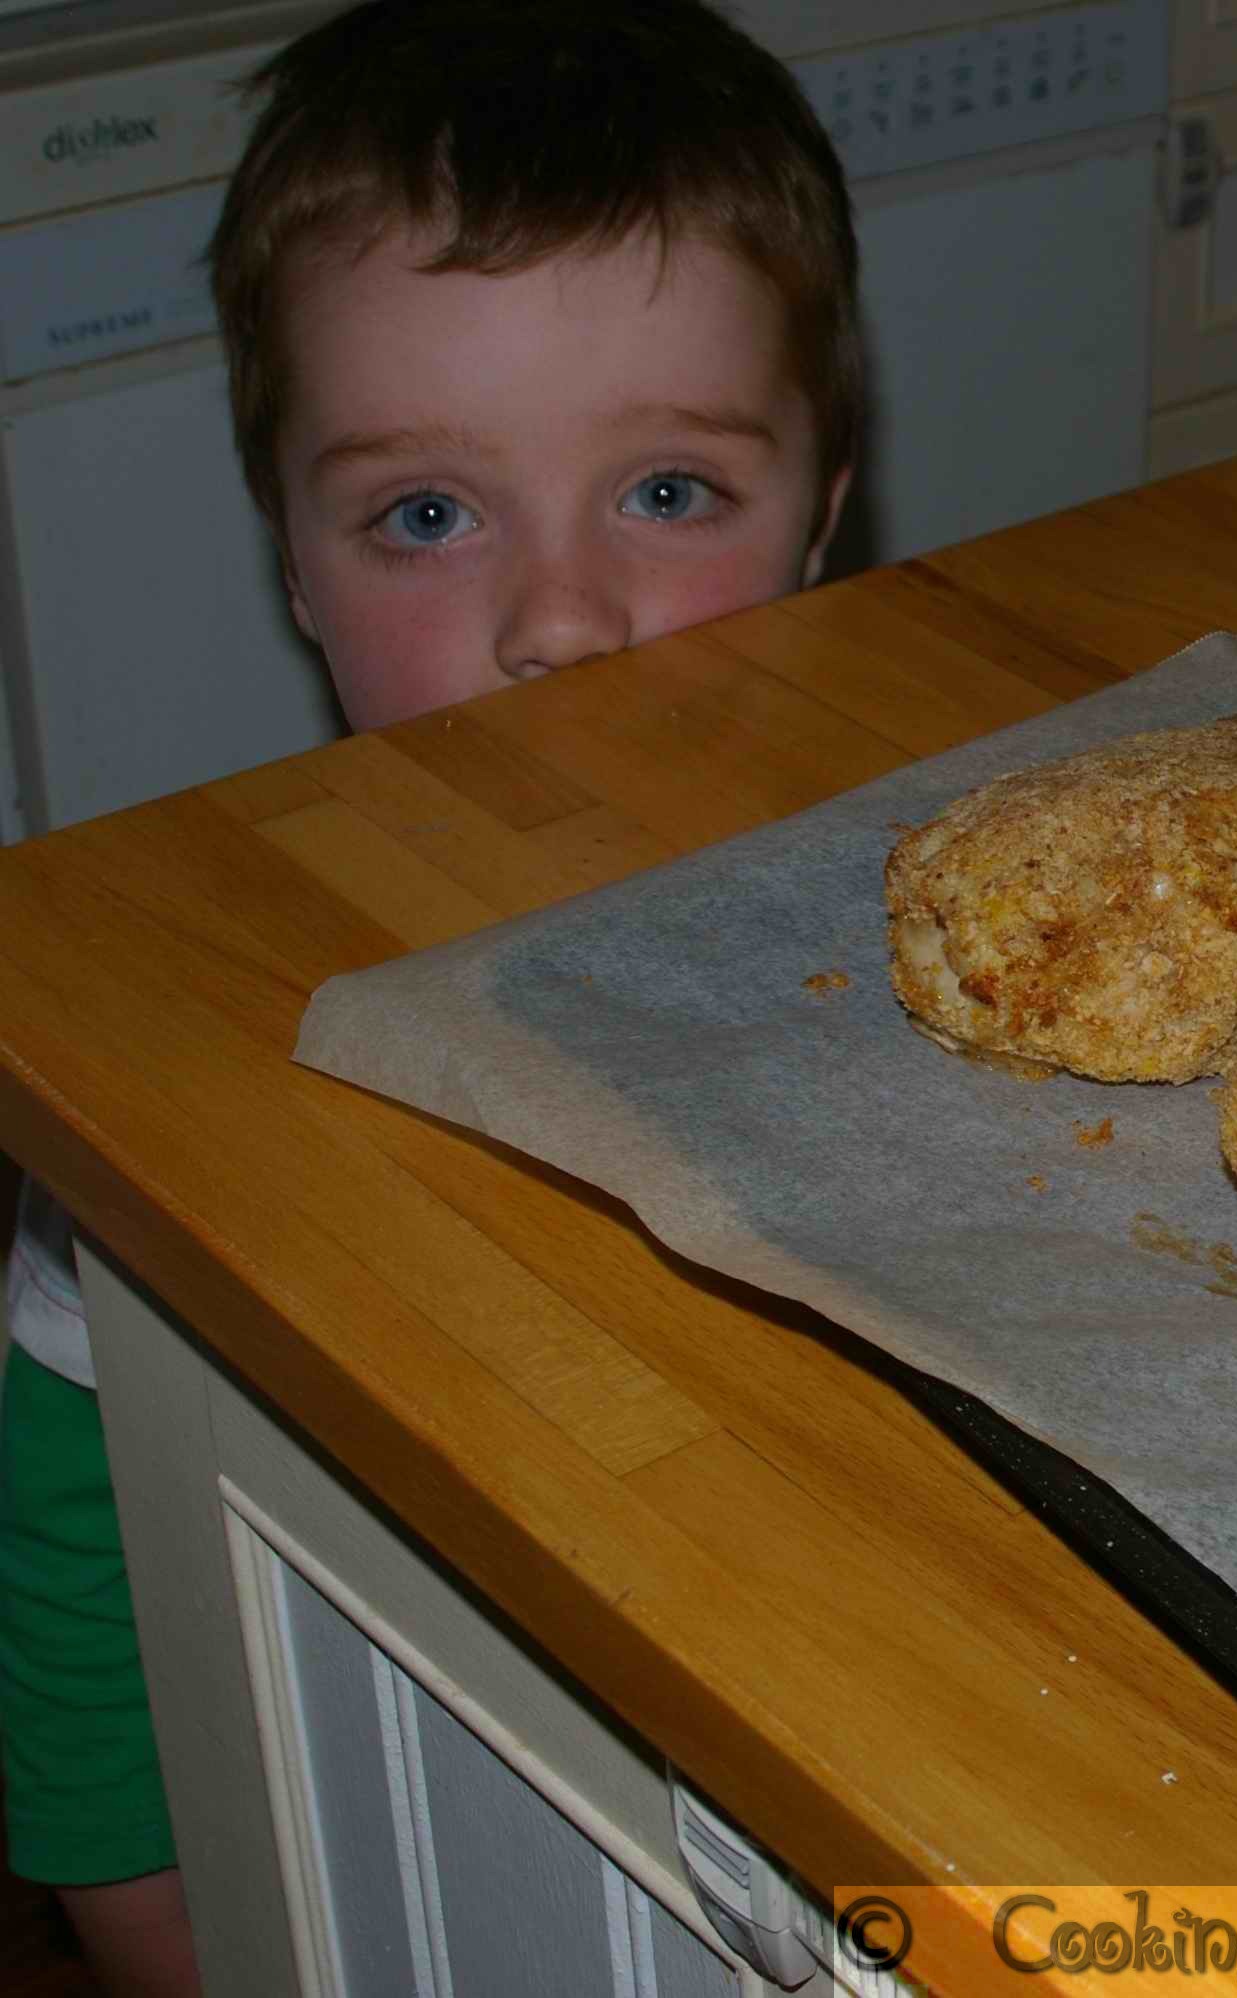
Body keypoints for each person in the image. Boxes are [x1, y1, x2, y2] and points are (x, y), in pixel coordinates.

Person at [0, 3, 861, 1987]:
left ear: (824, 513)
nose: (560, 623)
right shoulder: (183, 1094)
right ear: (294, 565)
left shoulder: (939, 971)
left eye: (667, 494)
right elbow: (84, 1610)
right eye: (425, 517)